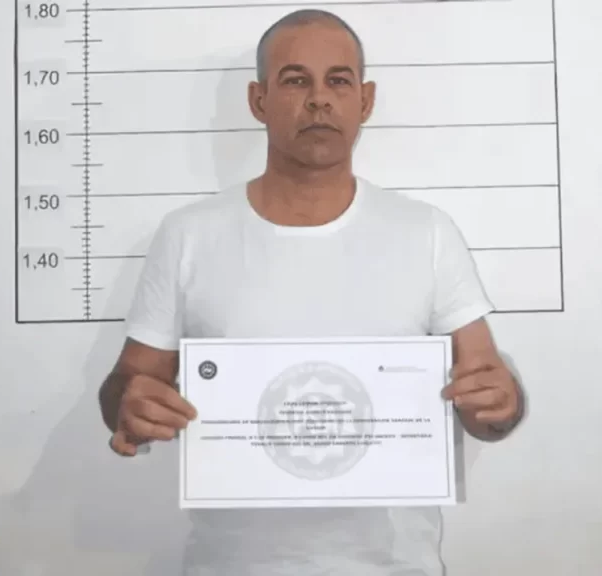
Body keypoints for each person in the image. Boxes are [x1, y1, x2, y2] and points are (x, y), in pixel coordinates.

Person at [98, 9, 525, 575]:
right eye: (296, 80)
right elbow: (127, 384)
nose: (319, 99)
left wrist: (500, 402)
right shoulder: (189, 235)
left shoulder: (426, 233)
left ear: (365, 101)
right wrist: (128, 407)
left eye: (338, 81)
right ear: (258, 100)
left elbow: (488, 402)